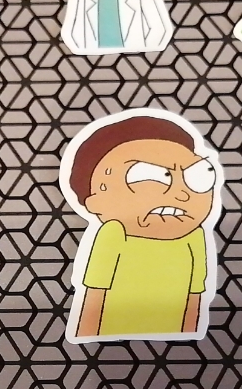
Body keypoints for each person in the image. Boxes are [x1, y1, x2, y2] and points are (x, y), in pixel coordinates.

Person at [67, 115, 218, 339]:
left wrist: (188, 338)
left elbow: (194, 297)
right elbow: (94, 297)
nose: (181, 193)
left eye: (197, 177)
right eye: (147, 175)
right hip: (111, 339)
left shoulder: (194, 236)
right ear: (95, 200)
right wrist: (87, 337)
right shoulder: (115, 233)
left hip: (174, 343)